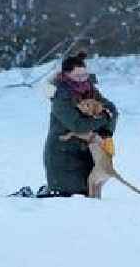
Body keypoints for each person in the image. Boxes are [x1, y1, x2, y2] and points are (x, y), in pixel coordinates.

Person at [40, 51, 118, 197]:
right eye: (78, 76)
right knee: (68, 197)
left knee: (88, 195)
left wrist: (106, 132)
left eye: (85, 75)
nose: (83, 80)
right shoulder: (60, 96)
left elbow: (112, 110)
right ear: (66, 75)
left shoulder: (90, 89)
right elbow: (78, 125)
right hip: (63, 155)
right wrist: (103, 118)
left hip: (87, 154)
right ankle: (30, 199)